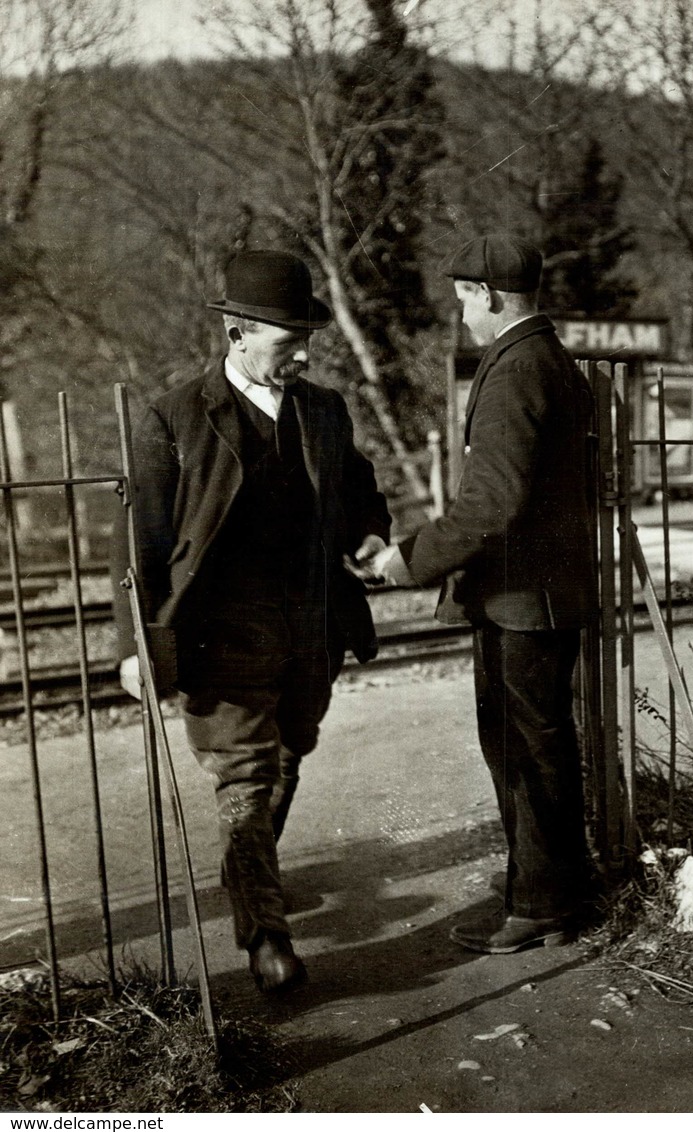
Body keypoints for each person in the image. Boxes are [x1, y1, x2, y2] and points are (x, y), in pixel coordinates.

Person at [112, 249, 391, 994]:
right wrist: (135, 644)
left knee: (292, 752)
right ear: (236, 331)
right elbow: (140, 544)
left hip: (310, 626)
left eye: (308, 338)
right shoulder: (173, 418)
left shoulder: (325, 410)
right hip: (218, 633)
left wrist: (367, 532)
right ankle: (266, 935)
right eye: (285, 338)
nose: (302, 353)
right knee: (245, 773)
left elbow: (359, 490)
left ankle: (248, 883)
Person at [369, 234, 598, 954]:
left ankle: (539, 905)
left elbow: (492, 503)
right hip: (542, 597)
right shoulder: (551, 361)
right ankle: (555, 896)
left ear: (490, 297)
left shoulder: (513, 370)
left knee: (523, 754)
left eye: (465, 299)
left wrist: (406, 561)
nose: (461, 315)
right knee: (541, 748)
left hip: (520, 603)